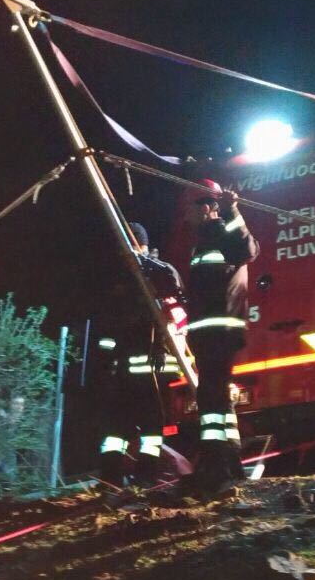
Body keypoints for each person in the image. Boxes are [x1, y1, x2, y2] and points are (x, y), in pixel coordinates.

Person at [183, 180, 260, 495]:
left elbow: (247, 249)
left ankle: (216, 464)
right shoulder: (202, 240)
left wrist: (232, 210)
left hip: (220, 331)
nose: (185, 217)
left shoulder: (220, 232)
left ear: (204, 207)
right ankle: (227, 461)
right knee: (214, 396)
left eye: (189, 209)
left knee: (211, 398)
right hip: (207, 333)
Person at [95, 222, 185, 489]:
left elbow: (175, 314)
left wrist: (162, 347)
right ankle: (110, 477)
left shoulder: (158, 274)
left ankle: (144, 478)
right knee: (116, 429)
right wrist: (107, 360)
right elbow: (110, 326)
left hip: (153, 369)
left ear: (139, 244)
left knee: (150, 431)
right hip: (124, 368)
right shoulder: (122, 279)